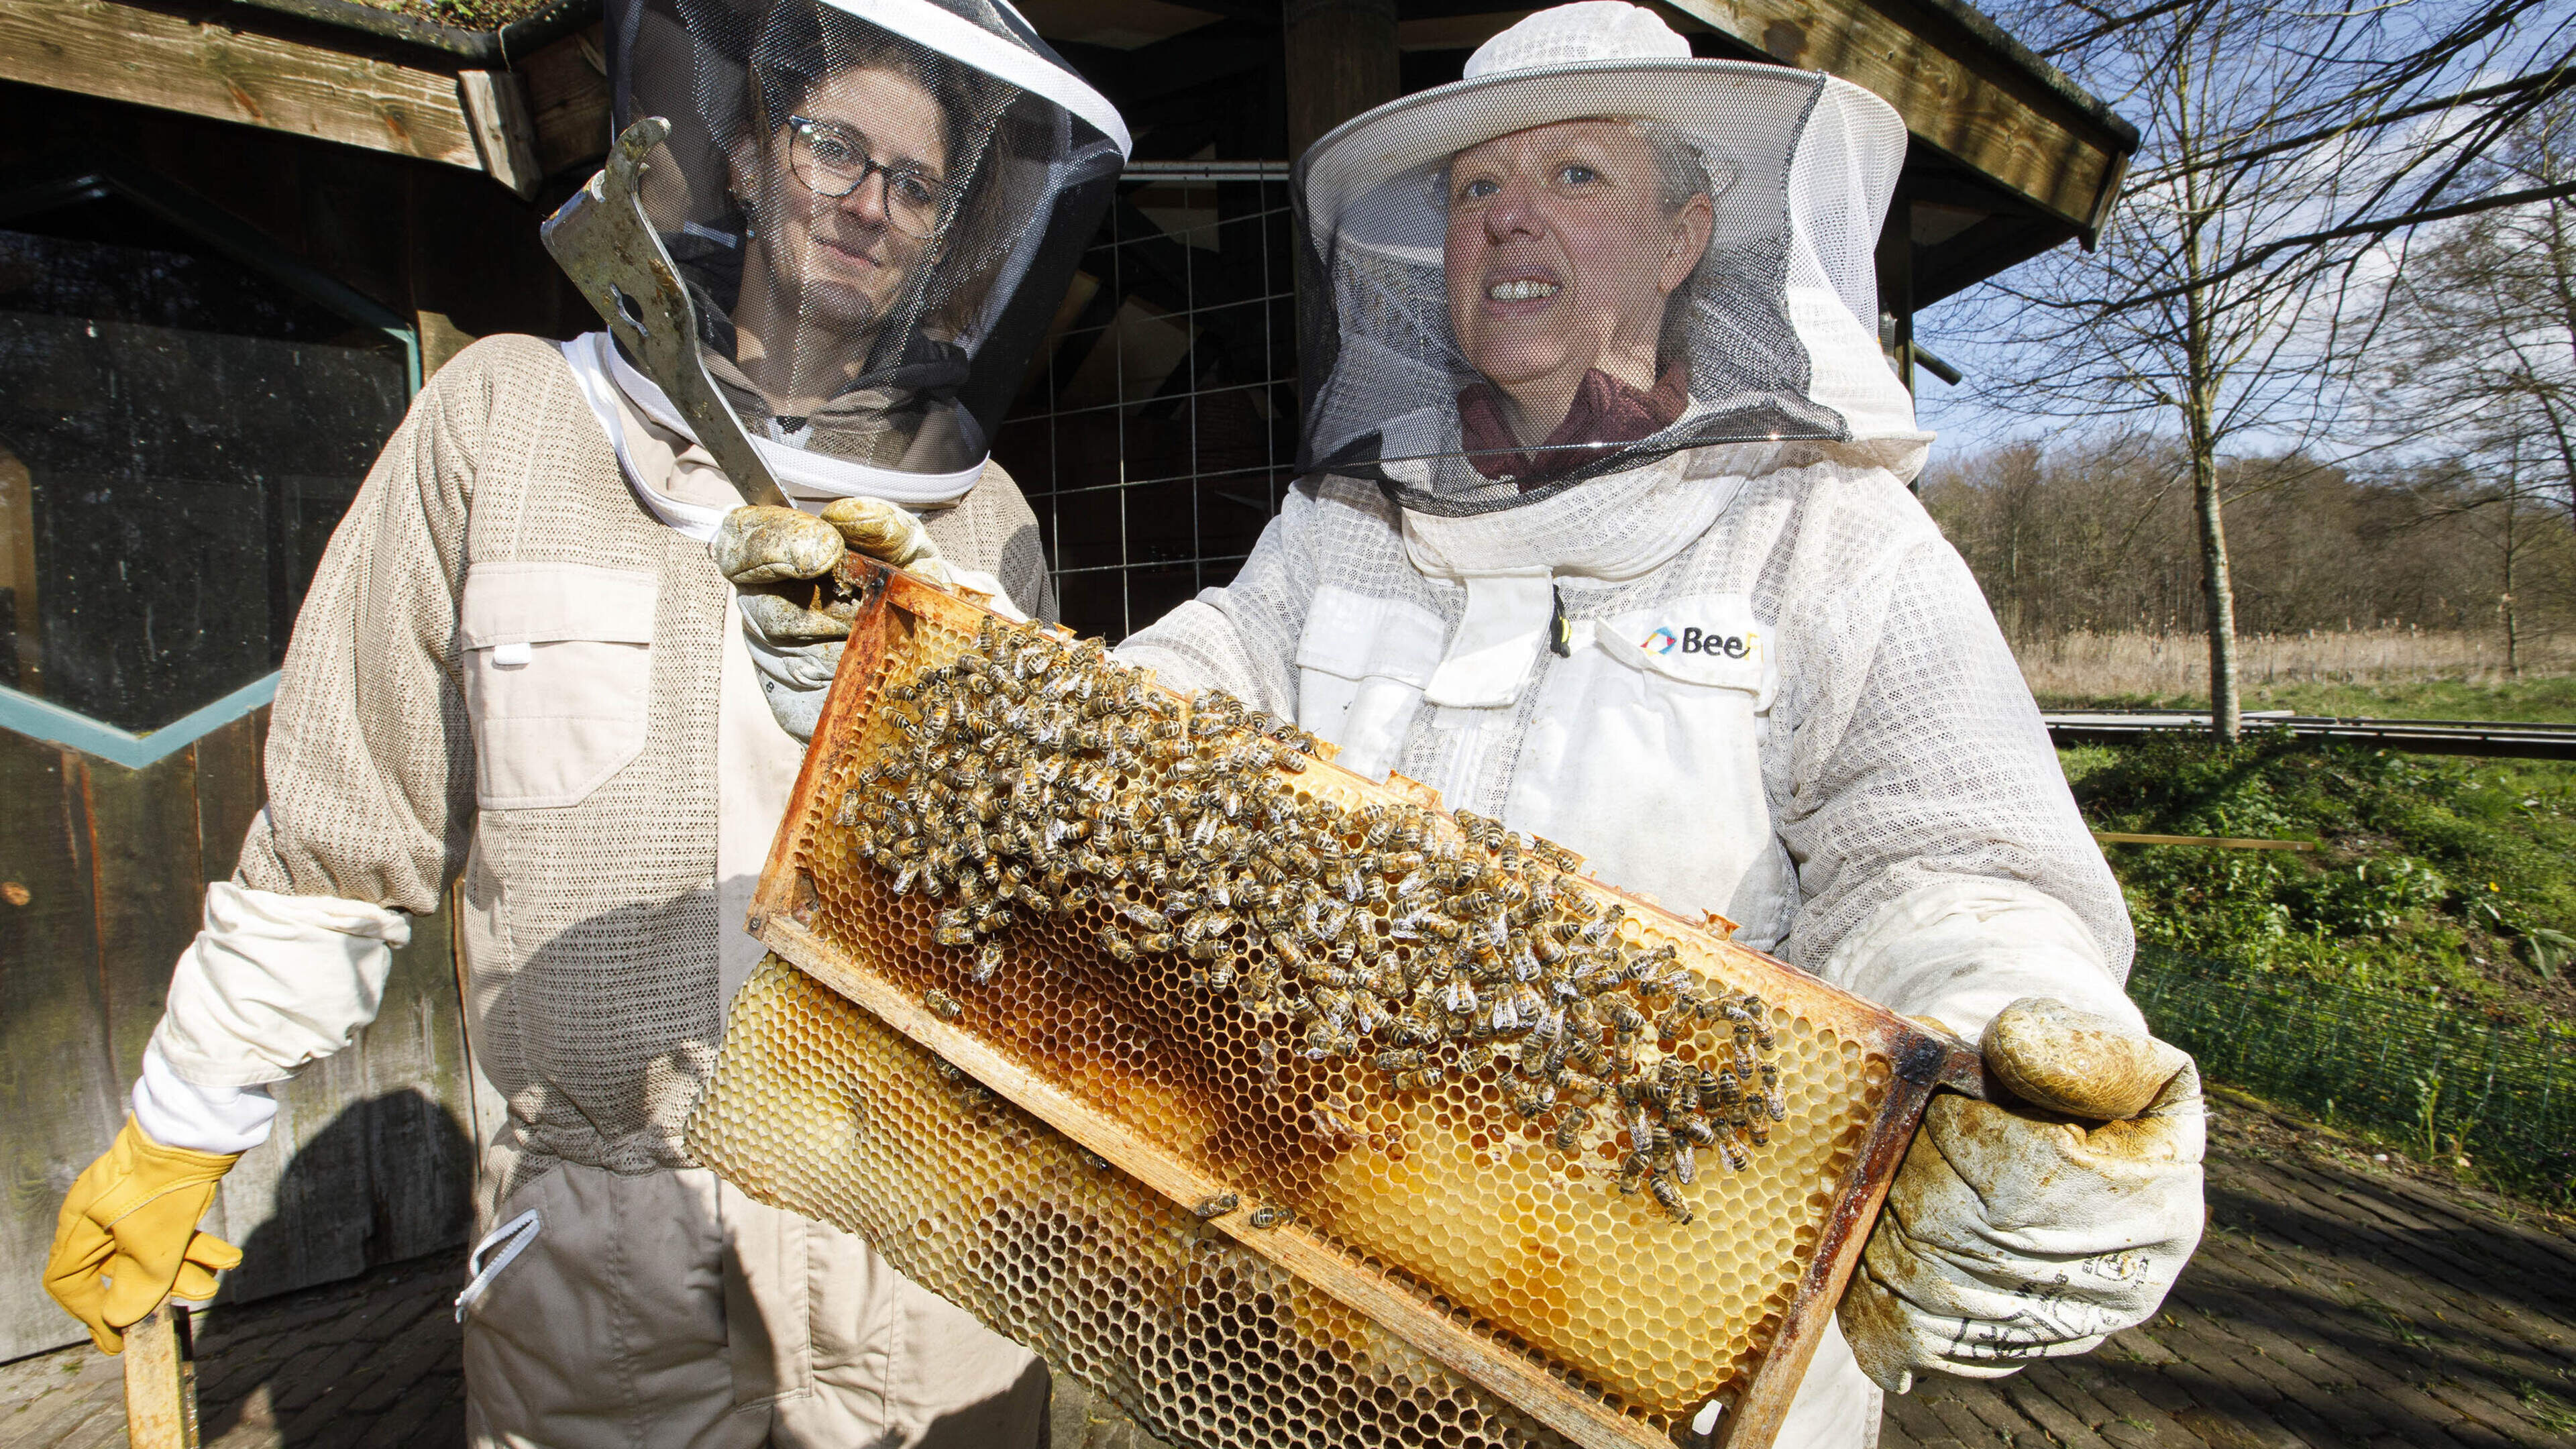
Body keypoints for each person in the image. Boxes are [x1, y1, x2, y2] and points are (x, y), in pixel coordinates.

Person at [1115, 5, 2206, 1445]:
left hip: (1666, 1345)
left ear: (1687, 235)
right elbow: (1168, 713)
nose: (1510, 223)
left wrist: (2000, 1051)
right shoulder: (1340, 529)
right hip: (1314, 1297)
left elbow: (1949, 859)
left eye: (1576, 177)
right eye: (1474, 191)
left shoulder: (1828, 531)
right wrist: (943, 683)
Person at [42, 1, 1126, 1444]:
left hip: (915, 1237)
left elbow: (1011, 894)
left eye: (915, 182)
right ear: (745, 152)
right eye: (830, 146)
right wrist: (187, 1115)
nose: (867, 203)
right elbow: (344, 839)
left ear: (944, 232)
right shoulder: (504, 426)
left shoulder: (982, 519)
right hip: (600, 1256)